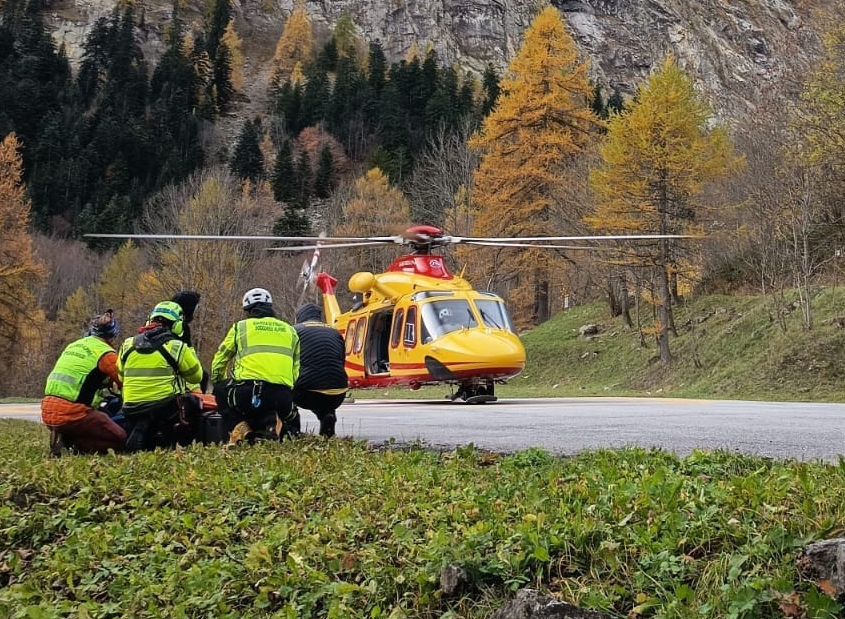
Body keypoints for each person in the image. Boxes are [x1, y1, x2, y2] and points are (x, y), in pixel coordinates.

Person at [211, 288, 300, 442]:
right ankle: (272, 423)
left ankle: (243, 430)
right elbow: (296, 370)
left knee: (220, 390)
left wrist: (219, 380)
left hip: (248, 394)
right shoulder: (290, 330)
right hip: (282, 397)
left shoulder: (240, 327)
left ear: (247, 310)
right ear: (270, 307)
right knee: (280, 408)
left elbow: (220, 360)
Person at [117, 301, 204, 451]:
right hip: (164, 410)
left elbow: (120, 376)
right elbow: (196, 377)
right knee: (194, 402)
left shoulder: (127, 344)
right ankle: (184, 441)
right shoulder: (176, 347)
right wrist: (188, 347)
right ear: (177, 325)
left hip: (131, 408)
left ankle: (143, 430)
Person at [41, 310, 127, 455]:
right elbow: (125, 382)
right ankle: (74, 445)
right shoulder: (106, 353)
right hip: (72, 415)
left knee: (102, 414)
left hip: (47, 411)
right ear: (112, 336)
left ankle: (64, 435)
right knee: (120, 437)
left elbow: (83, 374)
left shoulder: (73, 345)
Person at [290, 303, 348, 438]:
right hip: (338, 393)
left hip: (307, 393)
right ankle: (328, 416)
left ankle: (293, 430)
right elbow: (341, 361)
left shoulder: (294, 331)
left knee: (284, 395)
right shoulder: (334, 331)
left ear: (299, 317)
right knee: (325, 382)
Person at [171, 290, 210, 393]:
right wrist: (196, 389)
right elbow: (190, 361)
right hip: (171, 372)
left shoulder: (151, 323)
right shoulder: (181, 328)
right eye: (195, 308)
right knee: (203, 376)